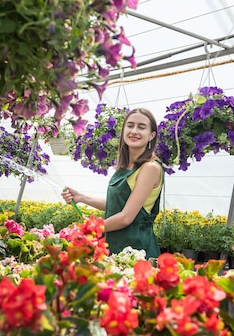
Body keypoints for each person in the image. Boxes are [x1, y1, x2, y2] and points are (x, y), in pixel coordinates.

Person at [62, 108, 163, 259]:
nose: (134, 131)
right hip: (115, 243)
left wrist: (90, 229)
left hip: (136, 250)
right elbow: (117, 204)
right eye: (130, 125)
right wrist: (81, 197)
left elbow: (125, 217)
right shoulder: (126, 166)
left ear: (151, 135)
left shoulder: (150, 168)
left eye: (141, 127)